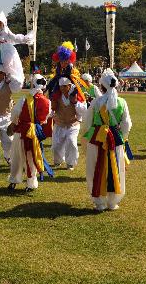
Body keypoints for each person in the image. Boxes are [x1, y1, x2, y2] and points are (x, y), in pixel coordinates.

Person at [80, 69, 132, 211]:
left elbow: (87, 122)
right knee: (115, 167)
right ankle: (113, 201)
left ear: (101, 86)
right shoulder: (122, 102)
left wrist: (87, 135)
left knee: (95, 167)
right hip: (115, 137)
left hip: (97, 137)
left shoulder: (96, 102)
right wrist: (123, 136)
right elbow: (127, 124)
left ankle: (99, 201)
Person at [8, 74, 51, 191]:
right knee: (32, 158)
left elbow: (15, 114)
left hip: (21, 131)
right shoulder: (47, 102)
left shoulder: (24, 98)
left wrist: (14, 123)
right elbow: (44, 119)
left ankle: (14, 180)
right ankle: (31, 183)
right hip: (34, 134)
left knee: (17, 158)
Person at [50, 77, 87, 170]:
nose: (62, 88)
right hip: (59, 124)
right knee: (57, 145)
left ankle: (70, 163)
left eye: (64, 86)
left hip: (73, 124)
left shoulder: (77, 96)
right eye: (61, 86)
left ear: (70, 86)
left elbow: (83, 111)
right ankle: (58, 161)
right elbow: (51, 108)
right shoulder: (57, 96)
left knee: (71, 142)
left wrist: (75, 102)